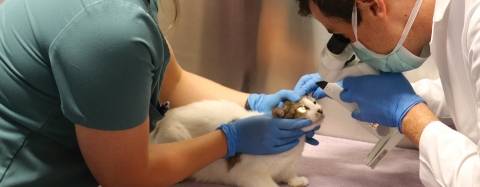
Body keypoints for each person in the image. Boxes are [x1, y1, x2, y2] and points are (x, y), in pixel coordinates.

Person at [0, 0, 325, 186]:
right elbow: (126, 176)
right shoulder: (110, 27)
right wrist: (229, 140)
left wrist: (252, 103)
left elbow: (172, 82)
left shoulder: (127, 11)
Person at [297, 0, 480, 186]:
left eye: (343, 36)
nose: (352, 48)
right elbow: (468, 98)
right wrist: (398, 98)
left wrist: (410, 114)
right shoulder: (454, 20)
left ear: (375, 7)